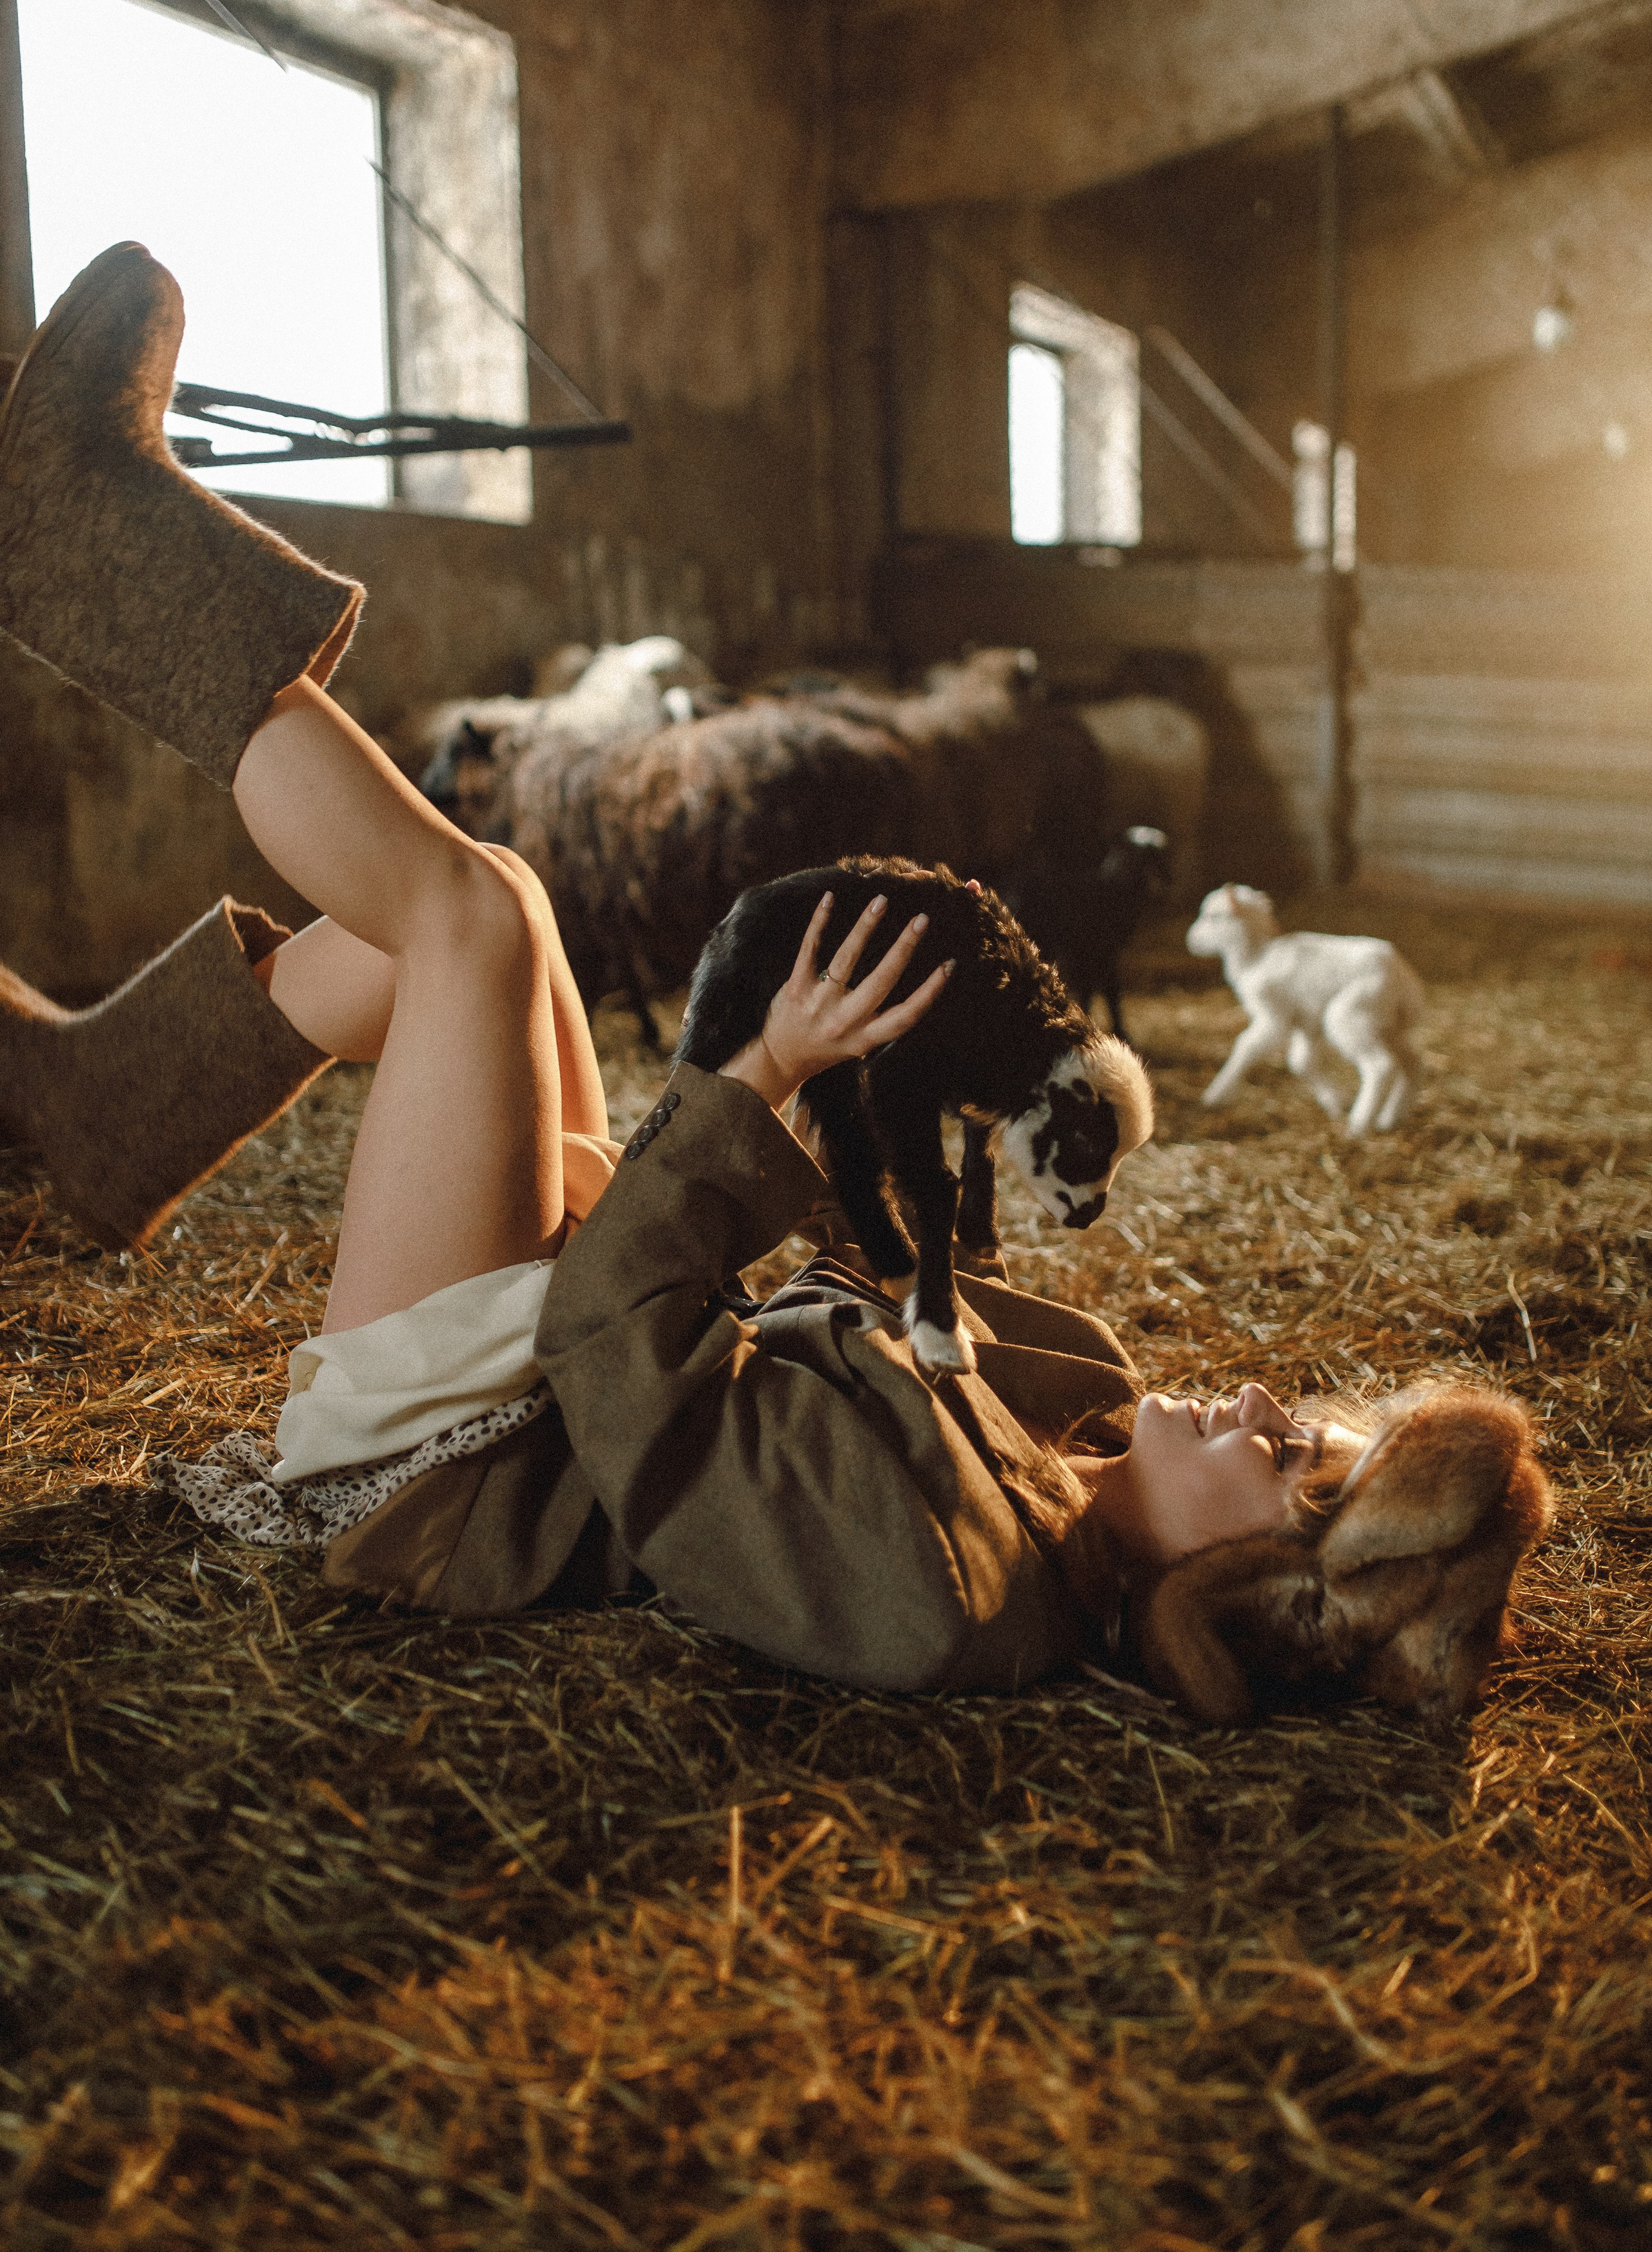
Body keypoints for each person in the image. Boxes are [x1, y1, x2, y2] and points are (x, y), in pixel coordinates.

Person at [0, 245, 1553, 1723]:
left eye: (1294, 1468)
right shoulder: (1076, 1404)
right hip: (561, 1355)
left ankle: (84, 549)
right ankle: (112, 1104)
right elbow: (835, 1284)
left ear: (1233, 1587)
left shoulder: (955, 1587)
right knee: (517, 899)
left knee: (465, 920)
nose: (1267, 1409)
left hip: (460, 1465)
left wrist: (758, 1083)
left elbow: (642, 1386)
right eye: (1308, 1426)